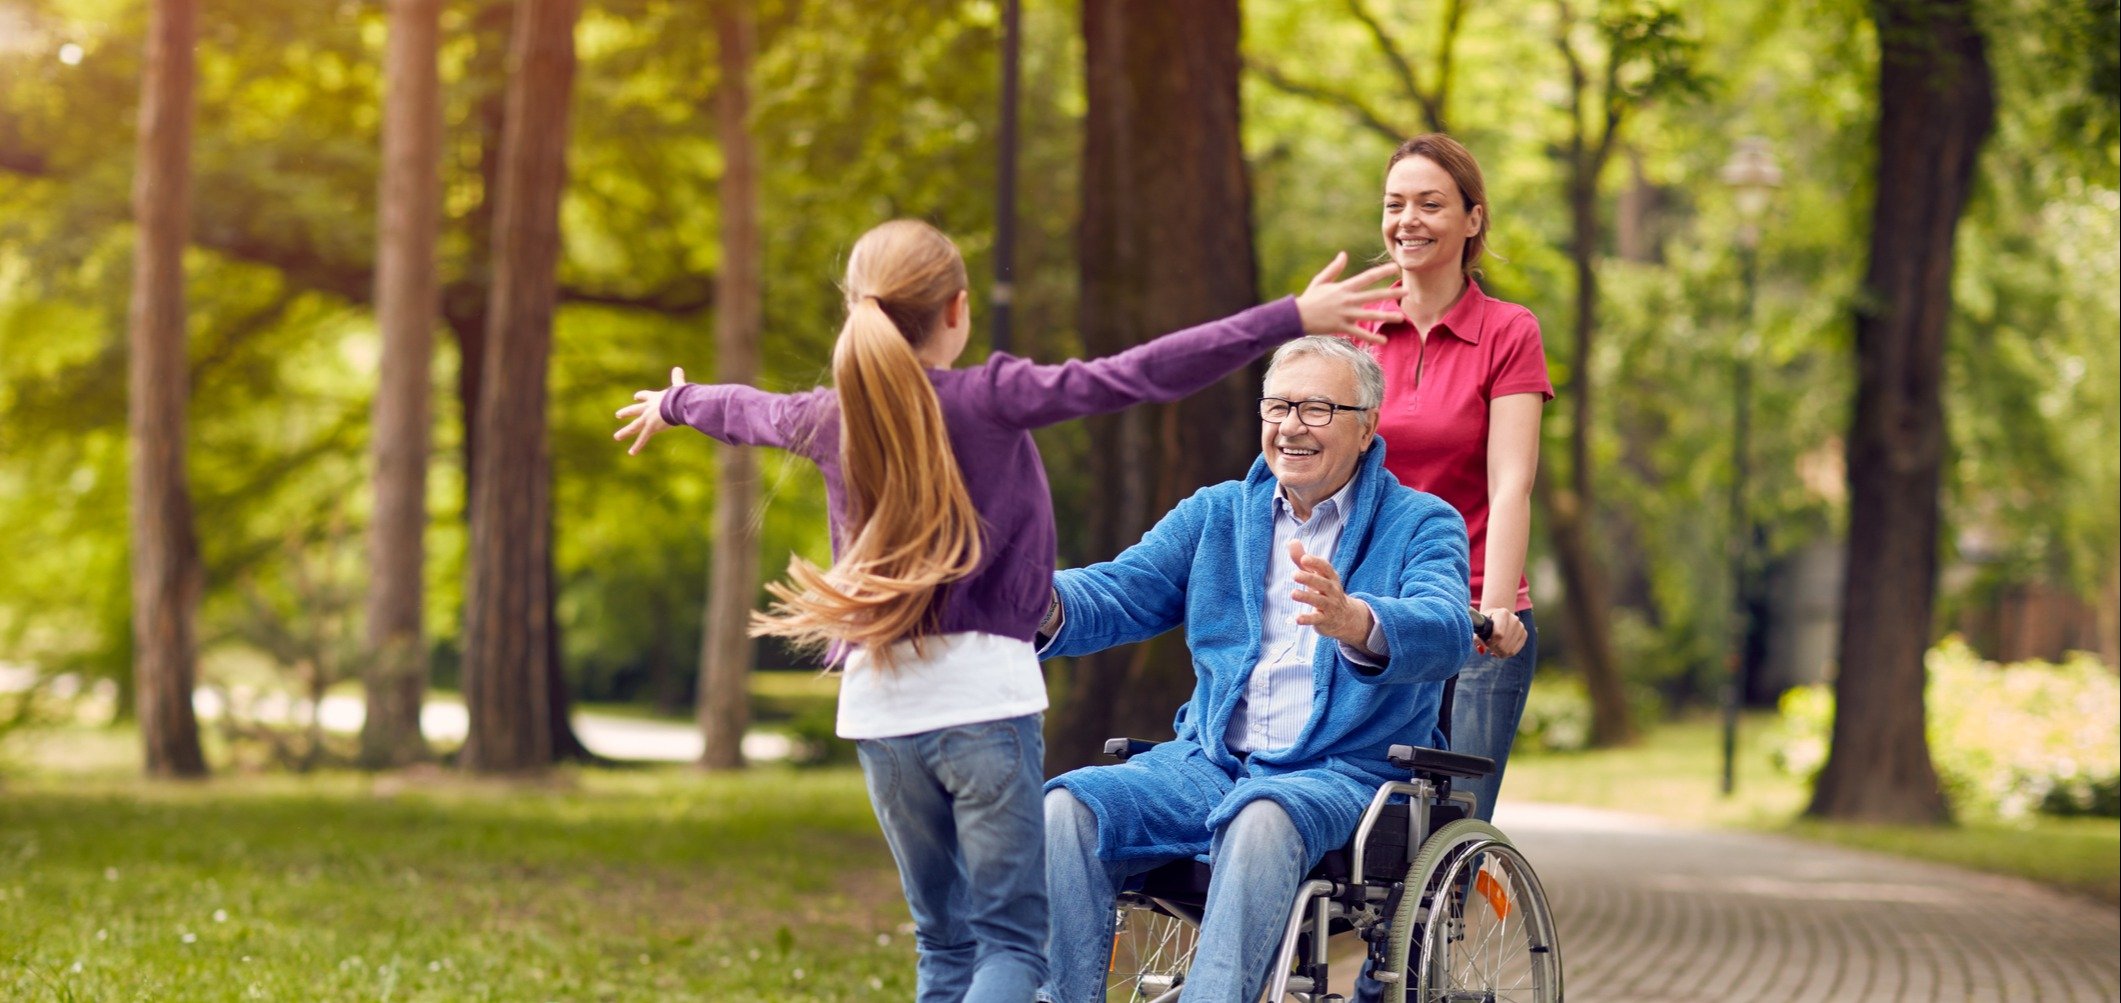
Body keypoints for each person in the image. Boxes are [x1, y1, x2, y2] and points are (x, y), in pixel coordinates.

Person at [613, 218, 1398, 1003]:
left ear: (861, 307)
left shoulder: (831, 413)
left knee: (942, 944)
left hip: (879, 714)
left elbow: (747, 409)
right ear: (956, 310)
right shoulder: (990, 398)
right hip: (984, 706)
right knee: (1011, 949)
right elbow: (1136, 374)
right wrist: (1286, 317)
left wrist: (678, 401)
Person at [1034, 335, 1474, 1003]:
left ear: (1366, 427)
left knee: (1262, 813)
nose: (1291, 424)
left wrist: (1355, 620)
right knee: (1068, 807)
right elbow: (1122, 588)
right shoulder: (1217, 513)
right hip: (1208, 764)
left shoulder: (1419, 523)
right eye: (1277, 405)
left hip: (1342, 772)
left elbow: (1446, 630)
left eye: (1317, 408)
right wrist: (1035, 598)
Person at [1357, 133, 1551, 825]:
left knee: (1449, 835)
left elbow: (1509, 483)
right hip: (1372, 614)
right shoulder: (1357, 327)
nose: (1407, 218)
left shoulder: (1507, 331)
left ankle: (1441, 930)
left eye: (1429, 203)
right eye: (1394, 203)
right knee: (1357, 830)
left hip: (1473, 612)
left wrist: (1494, 610)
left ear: (1472, 218)